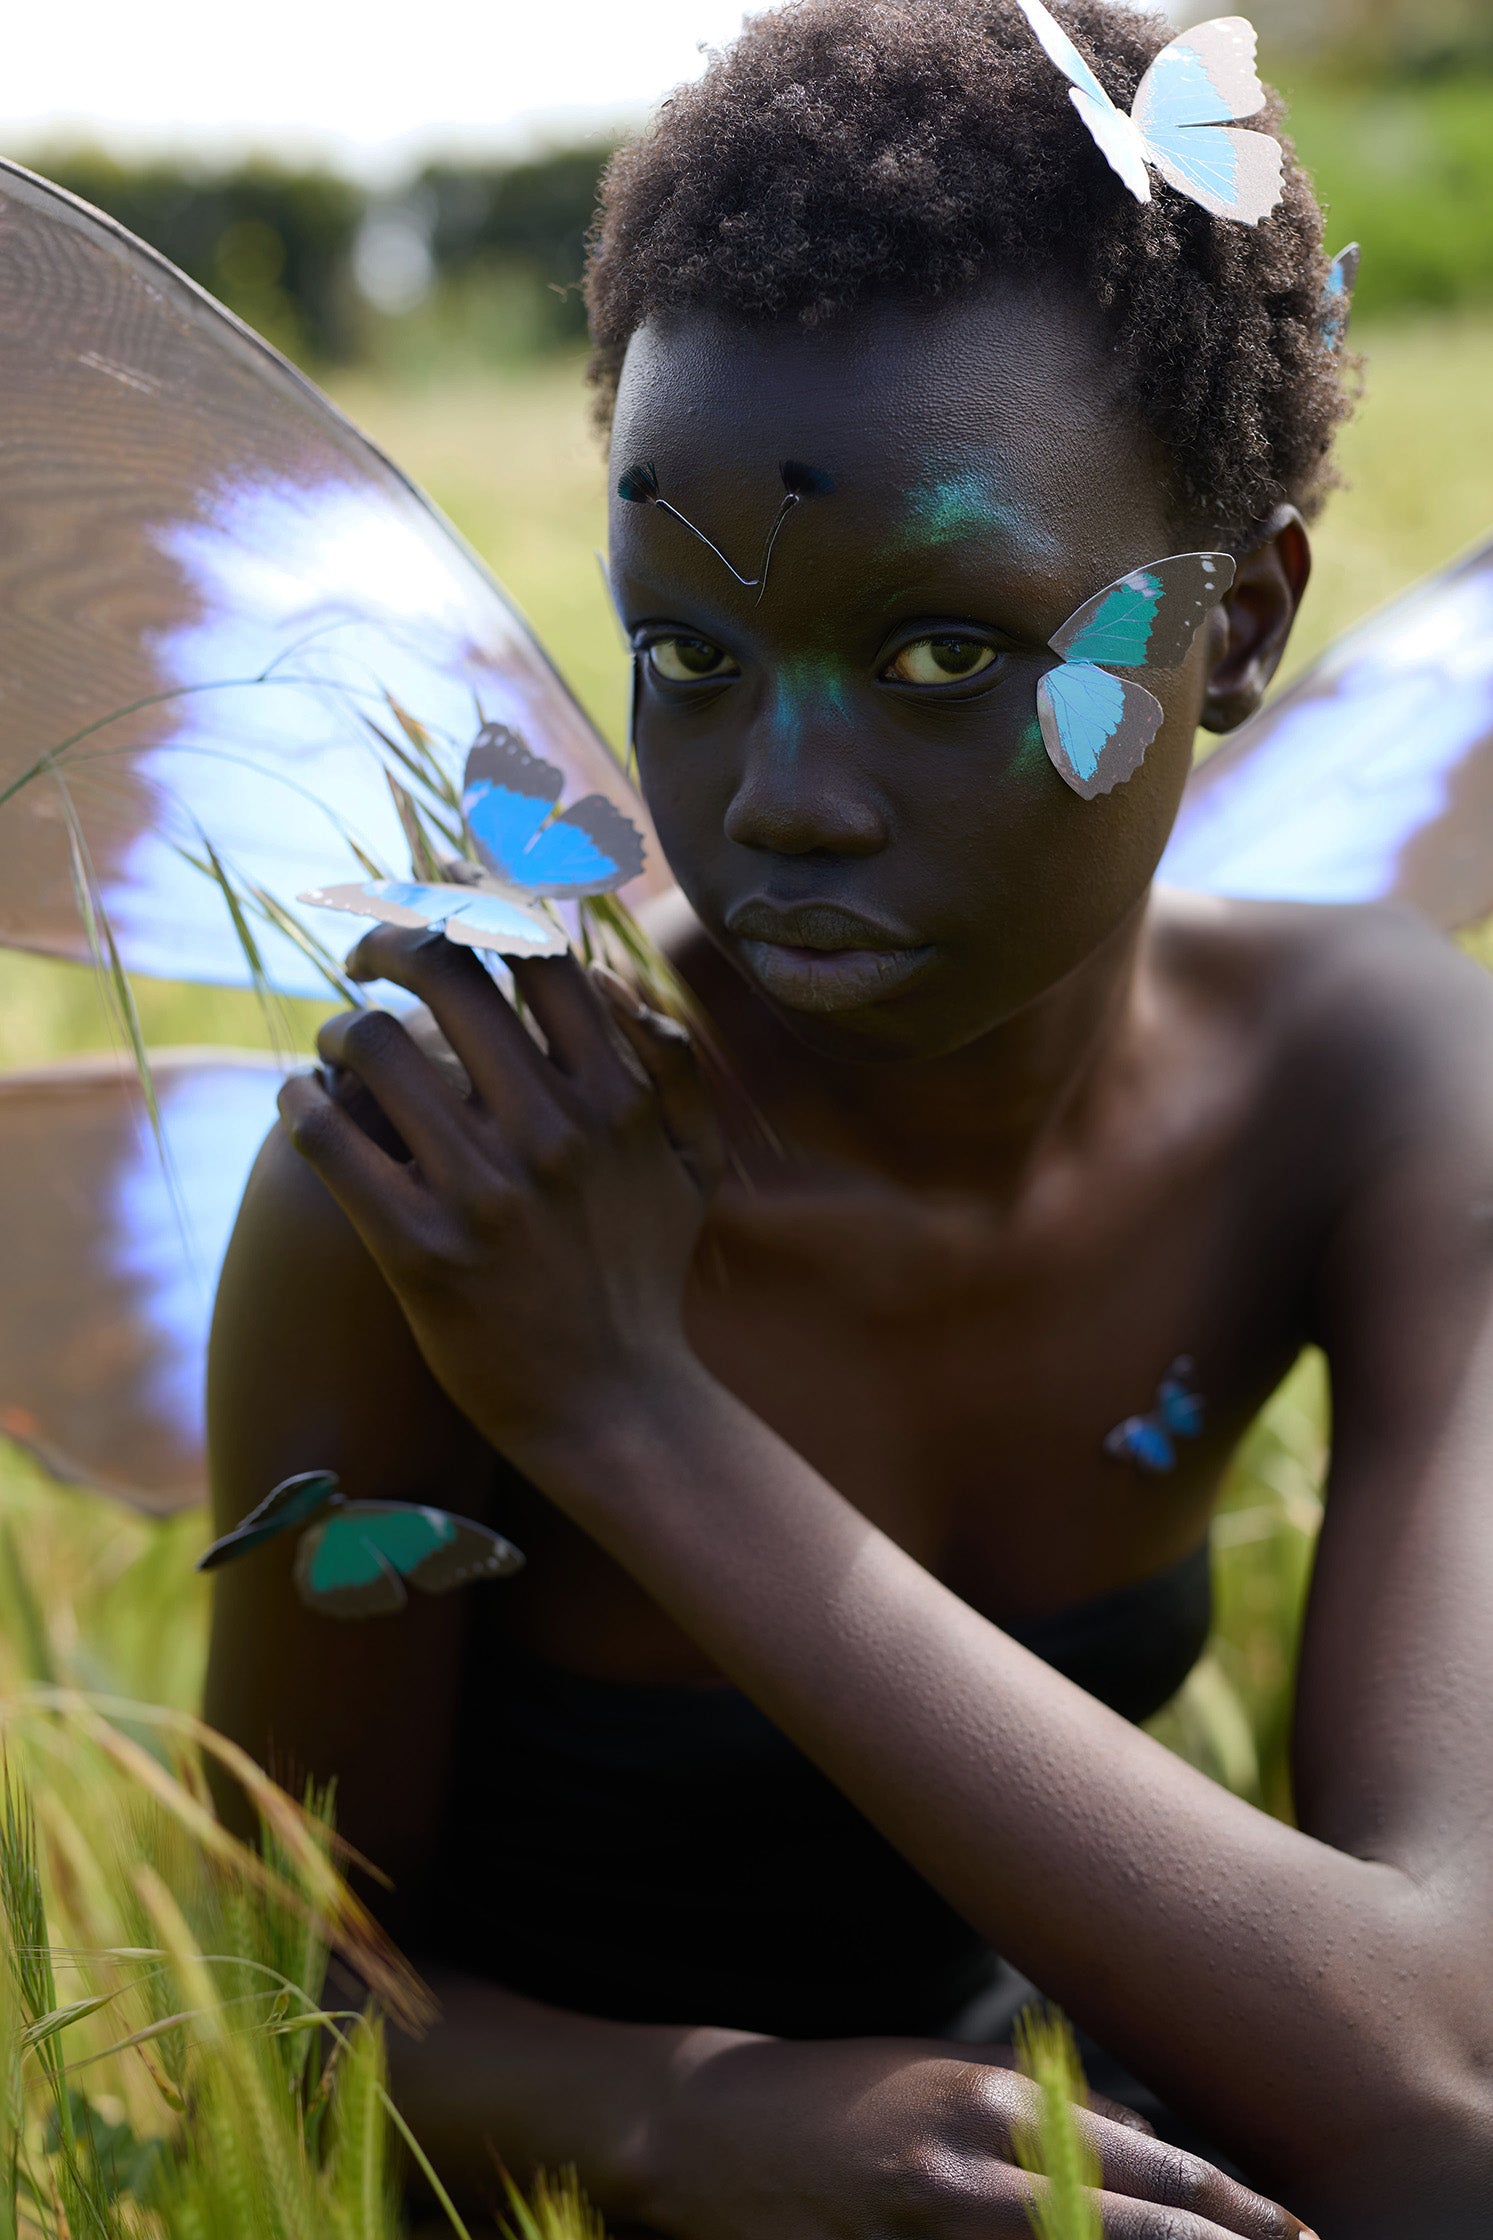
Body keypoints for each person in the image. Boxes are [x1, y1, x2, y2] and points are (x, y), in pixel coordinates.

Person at [202, 2, 1493, 2233]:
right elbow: (255, 1998)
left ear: (1248, 621)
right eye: (688, 661)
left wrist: (623, 1407)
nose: (781, 804)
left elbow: (1444, 2073)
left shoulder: (1365, 1083)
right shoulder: (465, 1167)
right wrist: (699, 2123)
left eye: (939, 660)